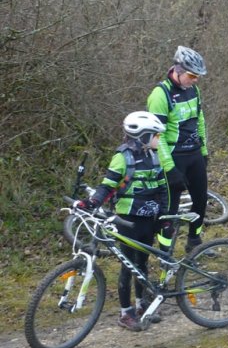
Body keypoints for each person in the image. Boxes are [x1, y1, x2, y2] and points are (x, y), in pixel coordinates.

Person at [77, 112, 168, 331]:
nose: (158, 139)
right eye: (155, 135)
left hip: (150, 219)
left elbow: (162, 188)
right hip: (127, 219)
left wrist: (165, 216)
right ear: (143, 136)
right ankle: (125, 313)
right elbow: (107, 186)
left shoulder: (154, 156)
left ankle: (141, 305)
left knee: (143, 263)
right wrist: (91, 203)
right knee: (128, 265)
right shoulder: (123, 157)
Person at [147, 46, 209, 253]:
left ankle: (194, 243)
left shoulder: (193, 90)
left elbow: (199, 119)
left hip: (194, 155)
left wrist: (204, 150)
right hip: (173, 158)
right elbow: (157, 136)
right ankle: (165, 254)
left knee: (200, 202)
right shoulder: (160, 95)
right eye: (192, 75)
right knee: (169, 213)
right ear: (178, 71)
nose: (195, 80)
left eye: (198, 76)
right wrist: (169, 168)